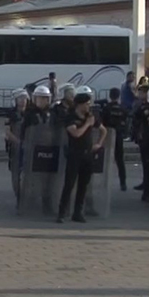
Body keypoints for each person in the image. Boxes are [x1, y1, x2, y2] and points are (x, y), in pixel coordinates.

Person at [57, 90, 106, 223]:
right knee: (69, 184)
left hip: (87, 154)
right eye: (86, 104)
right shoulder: (71, 117)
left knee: (84, 185)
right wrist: (87, 124)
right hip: (74, 154)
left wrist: (99, 144)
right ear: (79, 105)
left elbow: (103, 130)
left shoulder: (90, 116)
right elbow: (76, 133)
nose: (88, 107)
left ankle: (77, 212)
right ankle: (62, 212)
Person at [100, 87, 129, 191]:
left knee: (104, 159)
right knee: (120, 160)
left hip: (107, 135)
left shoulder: (106, 108)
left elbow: (102, 122)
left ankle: (103, 181)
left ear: (110, 95)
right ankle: (123, 182)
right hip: (119, 136)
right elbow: (126, 121)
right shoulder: (123, 108)